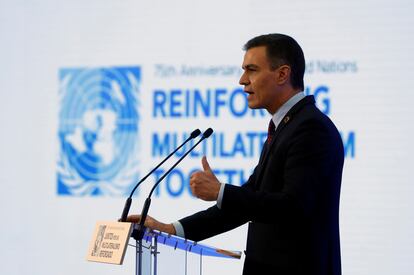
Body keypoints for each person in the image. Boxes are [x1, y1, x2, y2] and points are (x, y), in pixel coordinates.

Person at [126, 33, 344, 275]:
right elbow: (250, 201)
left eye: (251, 70)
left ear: (283, 74)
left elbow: (293, 207)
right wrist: (173, 229)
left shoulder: (311, 128)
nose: (242, 80)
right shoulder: (286, 126)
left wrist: (220, 191)